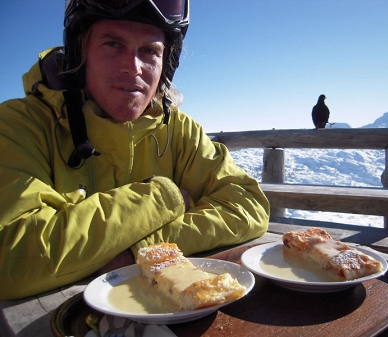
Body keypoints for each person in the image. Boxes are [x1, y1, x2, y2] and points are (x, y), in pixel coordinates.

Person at [0, 0, 269, 300]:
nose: (133, 66)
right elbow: (11, 257)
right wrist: (164, 198)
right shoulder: (18, 126)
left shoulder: (178, 130)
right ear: (81, 52)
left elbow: (248, 204)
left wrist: (138, 249)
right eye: (113, 43)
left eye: (150, 51)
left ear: (166, 63)